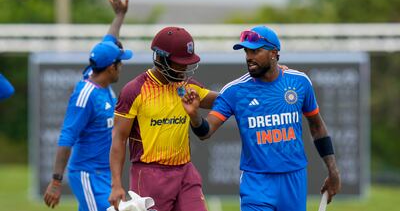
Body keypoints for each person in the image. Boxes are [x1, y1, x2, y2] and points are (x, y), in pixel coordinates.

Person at [181, 25, 341, 211]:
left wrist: (333, 171)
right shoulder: (235, 91)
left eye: (256, 51)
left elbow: (317, 127)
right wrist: (194, 115)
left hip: (294, 179)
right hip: (256, 183)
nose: (249, 57)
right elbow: (205, 131)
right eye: (247, 51)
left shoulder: (299, 82)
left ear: (274, 53)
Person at [108, 26, 219, 211]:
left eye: (187, 61)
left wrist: (264, 80)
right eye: (179, 62)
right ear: (160, 58)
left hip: (185, 173)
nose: (184, 67)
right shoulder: (134, 90)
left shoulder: (188, 86)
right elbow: (119, 139)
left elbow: (225, 100)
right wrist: (116, 184)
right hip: (149, 175)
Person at [43, 0, 132, 210]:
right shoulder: (86, 96)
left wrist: (119, 16)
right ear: (111, 67)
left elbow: (108, 41)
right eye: (120, 63)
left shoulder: (96, 74)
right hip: (88, 175)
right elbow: (67, 136)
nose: (121, 67)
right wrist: (56, 181)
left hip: (104, 175)